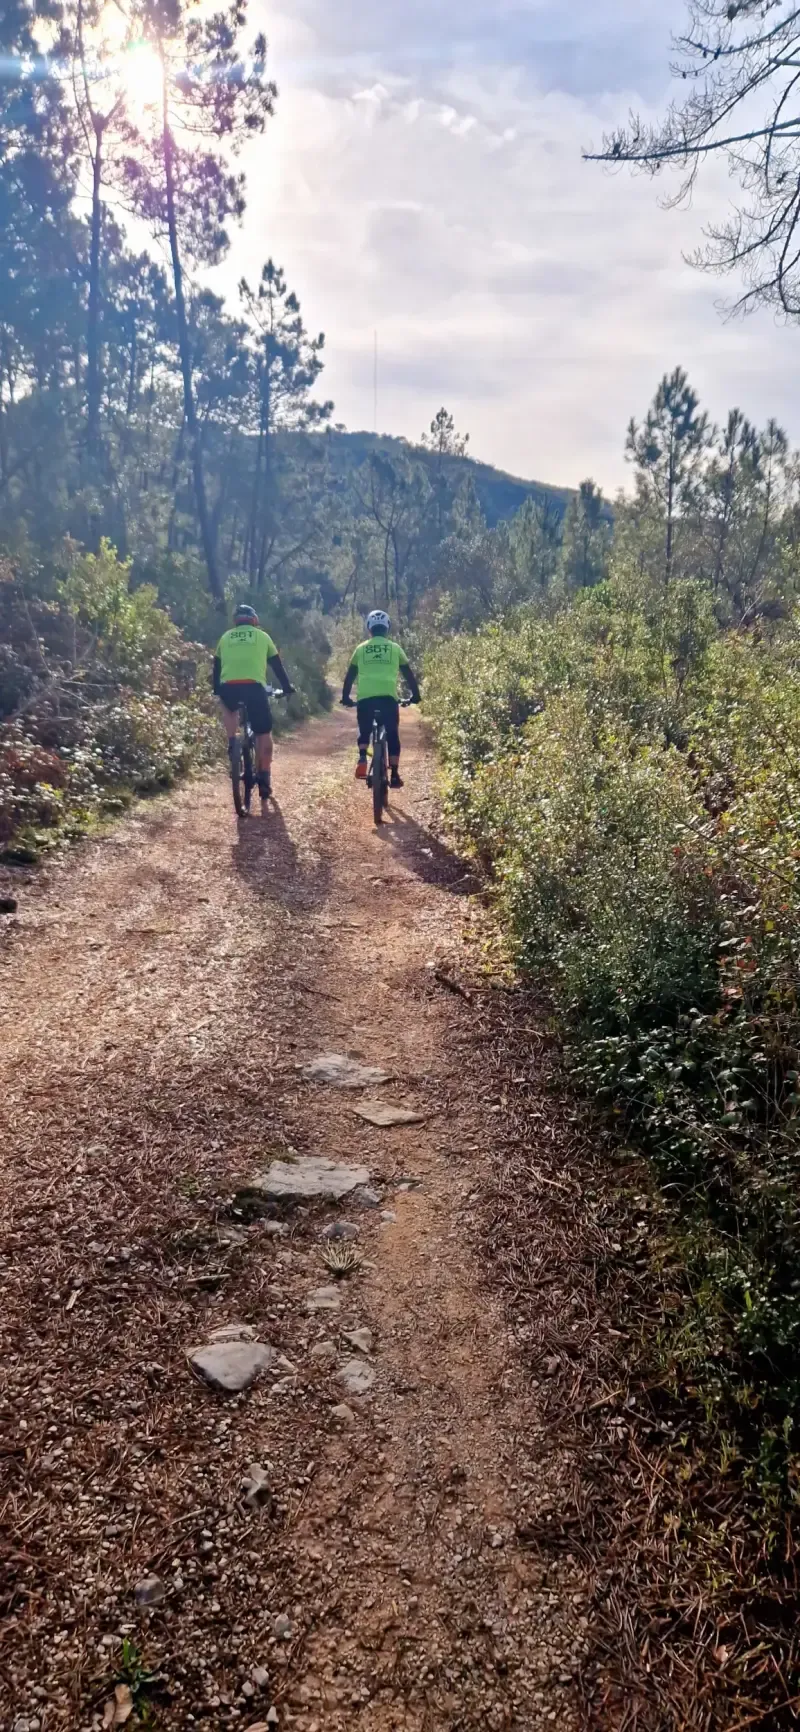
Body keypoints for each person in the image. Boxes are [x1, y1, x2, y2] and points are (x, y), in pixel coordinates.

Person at [213, 604, 294, 814]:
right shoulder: (262, 636)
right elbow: (277, 666)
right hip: (254, 688)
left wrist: (217, 690)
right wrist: (287, 688)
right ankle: (264, 777)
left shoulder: (225, 637)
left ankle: (232, 741)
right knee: (263, 733)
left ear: (235, 621)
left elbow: (216, 669)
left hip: (229, 688)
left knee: (228, 707)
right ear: (254, 620)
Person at [341, 610, 420, 788]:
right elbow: (409, 675)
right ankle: (394, 774)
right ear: (387, 628)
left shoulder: (360, 649)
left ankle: (362, 756)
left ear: (369, 628)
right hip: (388, 699)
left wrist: (346, 697)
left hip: (366, 699)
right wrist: (416, 696)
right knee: (392, 734)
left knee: (364, 728)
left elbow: (350, 676)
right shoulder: (394, 648)